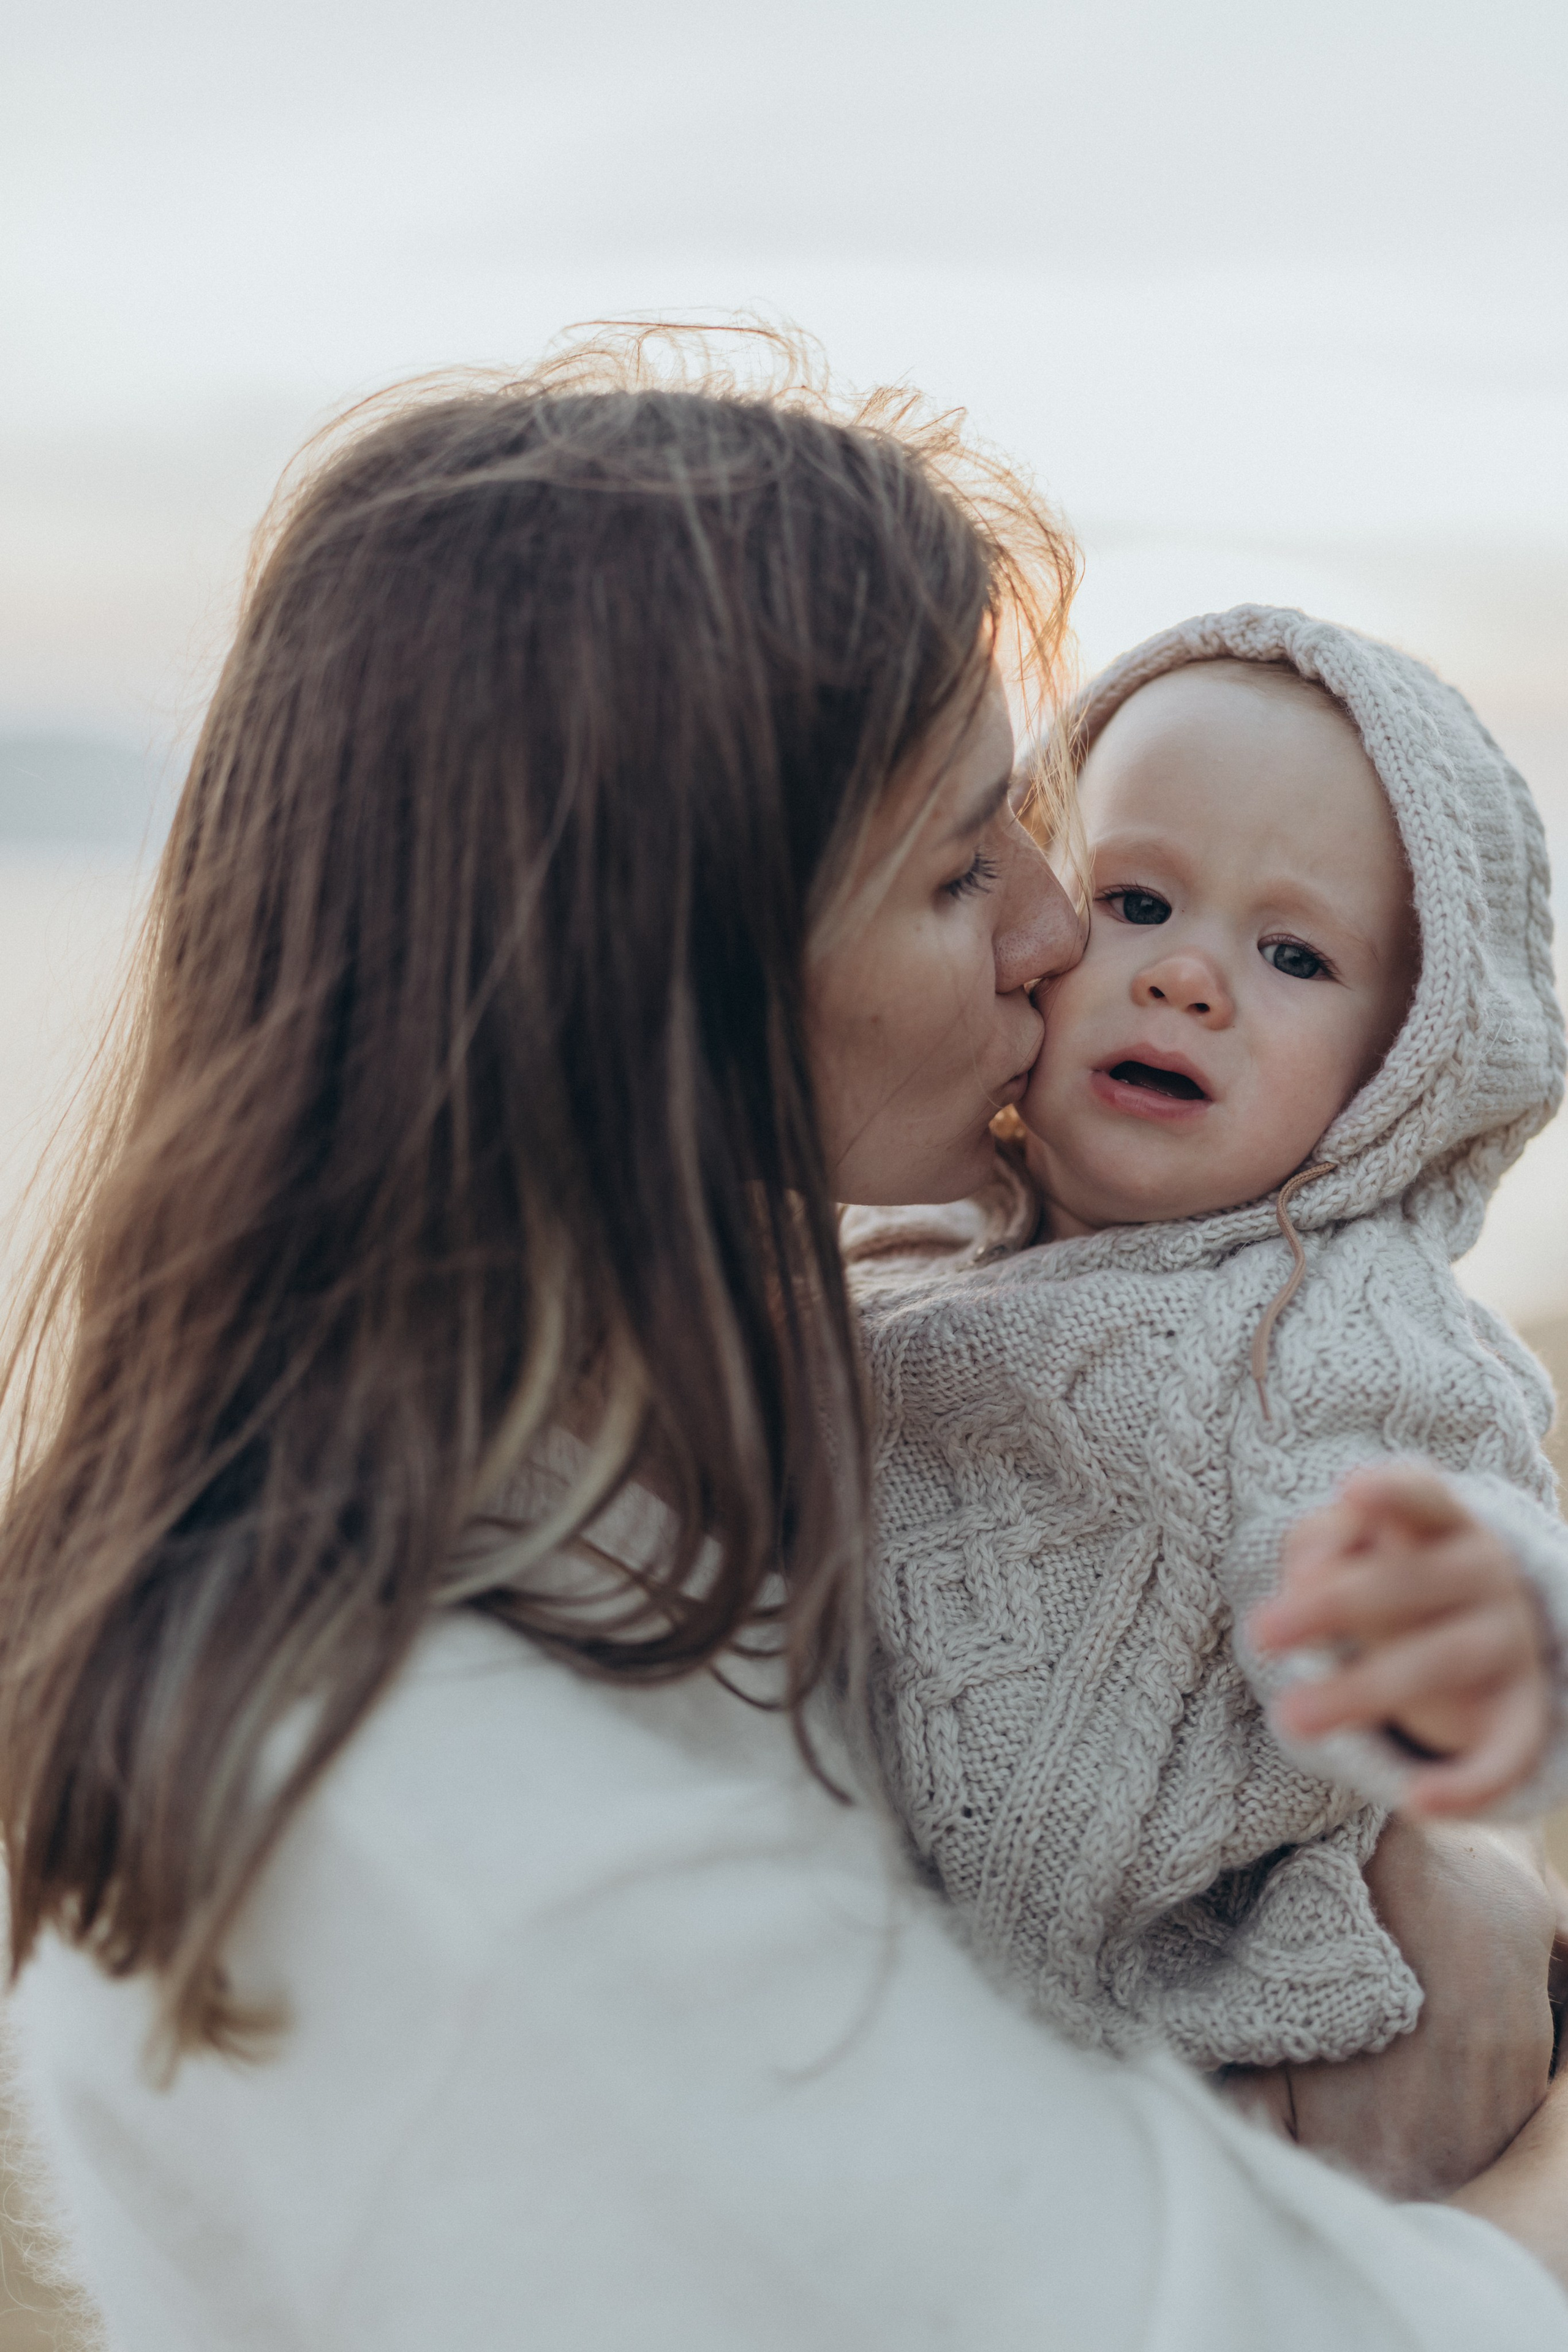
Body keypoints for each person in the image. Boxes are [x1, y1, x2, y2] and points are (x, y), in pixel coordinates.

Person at [1, 334, 1566, 2350]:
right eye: (963, 867)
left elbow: (1372, 1554)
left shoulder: (669, 1439)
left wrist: (1448, 1859)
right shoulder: (452, 1834)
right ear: (665, 988)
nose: (1059, 936)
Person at [847, 609, 1568, 2192]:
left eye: (1293, 954)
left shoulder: (1317, 1325)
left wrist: (1475, 1636)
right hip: (861, 2028)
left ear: (1404, 1070)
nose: (1185, 976)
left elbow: (1414, 1518)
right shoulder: (902, 1241)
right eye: (1137, 900)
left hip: (1172, 2082)